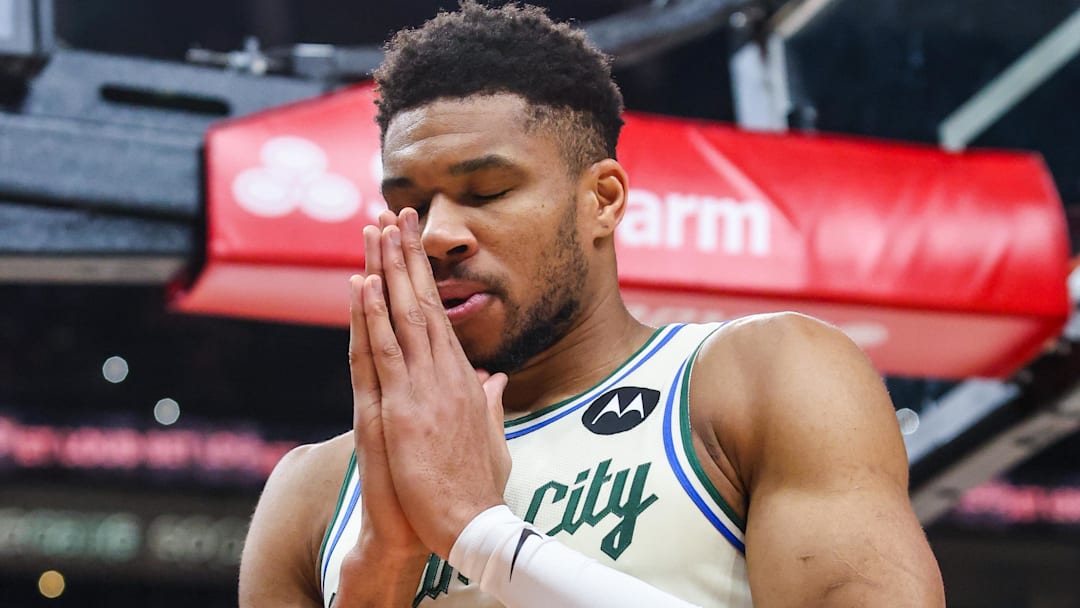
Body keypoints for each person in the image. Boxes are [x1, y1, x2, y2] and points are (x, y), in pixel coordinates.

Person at [238, 2, 946, 606]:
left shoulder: (762, 378)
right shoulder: (314, 492)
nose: (440, 234)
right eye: (408, 205)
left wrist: (484, 536)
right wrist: (376, 583)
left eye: (486, 192)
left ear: (601, 201)